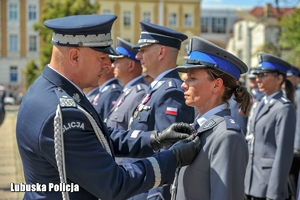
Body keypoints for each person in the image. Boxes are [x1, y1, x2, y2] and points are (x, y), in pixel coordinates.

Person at [16, 14, 201, 200]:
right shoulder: (61, 111)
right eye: (102, 57)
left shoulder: (51, 90)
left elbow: (99, 135)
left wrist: (155, 138)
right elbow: (113, 183)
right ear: (75, 56)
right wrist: (173, 158)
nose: (108, 65)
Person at [172, 36, 251, 200]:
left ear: (216, 85)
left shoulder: (227, 137)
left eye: (192, 79)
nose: (183, 84)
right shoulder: (199, 127)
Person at [127, 20, 196, 200]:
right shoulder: (157, 88)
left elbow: (169, 152)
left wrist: (156, 196)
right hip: (136, 187)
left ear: (161, 52)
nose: (138, 57)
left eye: (143, 50)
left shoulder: (170, 91)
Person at [244, 52, 296, 200]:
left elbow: (283, 154)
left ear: (279, 78)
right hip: (252, 181)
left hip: (268, 185)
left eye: (263, 75)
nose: (258, 79)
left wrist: (274, 192)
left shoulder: (283, 108)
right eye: (257, 75)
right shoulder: (261, 103)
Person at [105, 37, 148, 130]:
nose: (112, 65)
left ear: (131, 65)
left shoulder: (139, 93)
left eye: (117, 61)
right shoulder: (129, 91)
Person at [286, 66, 300, 198]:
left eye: (291, 77)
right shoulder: (287, 94)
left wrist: (296, 145)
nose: (288, 79)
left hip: (296, 148)